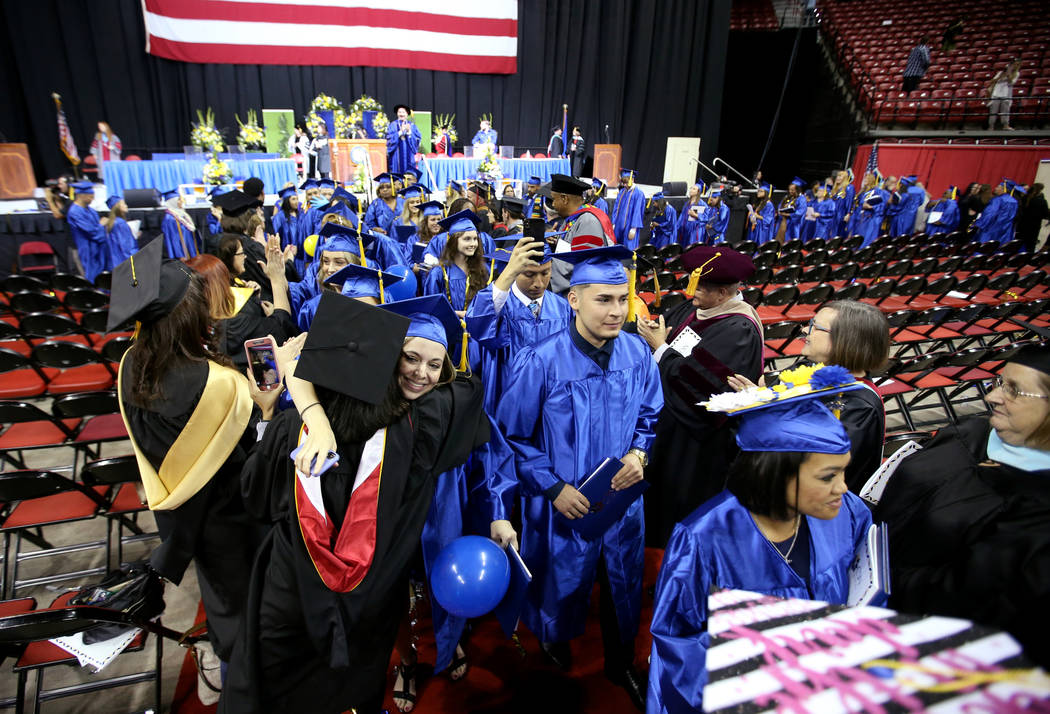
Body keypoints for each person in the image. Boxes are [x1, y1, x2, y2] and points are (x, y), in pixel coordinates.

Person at [219, 291, 492, 714]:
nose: (420, 374)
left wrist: (280, 411)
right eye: (409, 360)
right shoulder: (420, 428)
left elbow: (254, 498)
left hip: (289, 600)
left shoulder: (291, 431)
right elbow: (469, 390)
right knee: (355, 686)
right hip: (372, 602)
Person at [648, 372, 879, 712]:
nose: (843, 488)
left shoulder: (848, 513)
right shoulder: (703, 540)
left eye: (844, 472)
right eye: (828, 476)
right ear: (776, 472)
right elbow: (677, 646)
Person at [496, 245, 663, 711]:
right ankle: (555, 643)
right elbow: (511, 434)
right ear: (574, 300)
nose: (616, 311)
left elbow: (651, 416)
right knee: (560, 578)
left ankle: (620, 661)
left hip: (622, 500)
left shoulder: (636, 352)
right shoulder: (540, 360)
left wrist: (639, 454)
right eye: (603, 300)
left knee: (623, 584)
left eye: (622, 299)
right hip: (560, 502)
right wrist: (551, 486)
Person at [109, 238, 282, 681]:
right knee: (249, 607)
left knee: (220, 599)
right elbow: (251, 471)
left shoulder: (130, 365)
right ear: (188, 317)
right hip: (233, 521)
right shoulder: (219, 386)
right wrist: (263, 413)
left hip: (179, 518)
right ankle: (248, 688)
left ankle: (226, 665)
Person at [873, 339, 1050, 668]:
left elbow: (967, 598)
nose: (991, 396)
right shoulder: (974, 431)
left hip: (911, 638)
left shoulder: (1036, 513)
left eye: (1013, 390)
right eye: (999, 382)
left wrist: (879, 584)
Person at [637, 246, 763, 547]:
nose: (690, 292)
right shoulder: (697, 309)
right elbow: (676, 342)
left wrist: (660, 349)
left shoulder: (739, 329)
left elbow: (704, 386)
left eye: (700, 288)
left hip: (695, 446)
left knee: (676, 515)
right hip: (668, 430)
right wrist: (658, 336)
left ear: (723, 293)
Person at [467, 235, 573, 413]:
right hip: (506, 403)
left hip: (550, 405)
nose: (538, 283)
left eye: (545, 273)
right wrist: (509, 272)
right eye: (529, 274)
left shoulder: (562, 308)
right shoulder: (497, 305)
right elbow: (478, 326)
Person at [204, 236, 297, 365]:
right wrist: (277, 278)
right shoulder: (234, 318)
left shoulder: (231, 290)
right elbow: (280, 328)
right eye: (241, 253)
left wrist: (256, 299)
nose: (245, 256)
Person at [545, 173, 617, 294]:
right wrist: (555, 244)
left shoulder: (588, 221)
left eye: (554, 199)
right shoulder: (571, 220)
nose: (553, 204)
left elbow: (583, 266)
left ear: (564, 199)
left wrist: (546, 273)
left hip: (577, 295)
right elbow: (570, 251)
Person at [422, 210, 488, 316]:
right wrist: (459, 314)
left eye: (475, 239)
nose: (473, 244)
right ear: (453, 241)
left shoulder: (483, 270)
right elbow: (431, 309)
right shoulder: (438, 273)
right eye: (467, 239)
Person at [66, 180, 108, 281]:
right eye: (90, 196)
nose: (93, 198)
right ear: (81, 195)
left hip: (98, 248)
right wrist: (101, 225)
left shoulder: (91, 210)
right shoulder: (75, 212)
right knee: (92, 278)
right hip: (86, 249)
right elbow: (92, 232)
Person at [972, 179, 1019, 245]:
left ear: (1003, 189)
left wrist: (978, 224)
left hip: (992, 230)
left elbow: (990, 214)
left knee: (984, 249)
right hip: (1006, 231)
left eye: (998, 187)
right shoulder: (1014, 202)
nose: (995, 189)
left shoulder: (998, 200)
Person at [611, 168, 646, 250]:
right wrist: (614, 222)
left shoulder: (638, 194)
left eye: (626, 183)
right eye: (623, 183)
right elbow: (616, 207)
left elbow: (637, 212)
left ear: (632, 179)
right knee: (617, 247)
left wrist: (634, 228)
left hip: (630, 226)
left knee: (628, 248)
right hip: (618, 226)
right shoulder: (622, 192)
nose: (624, 185)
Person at [160, 189, 199, 259]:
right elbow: (173, 239)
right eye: (179, 200)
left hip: (189, 249)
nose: (182, 202)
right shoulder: (170, 219)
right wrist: (180, 255)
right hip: (181, 255)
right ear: (173, 202)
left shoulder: (182, 214)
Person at [103, 194, 139, 267]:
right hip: (123, 261)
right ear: (117, 207)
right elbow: (126, 246)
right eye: (124, 204)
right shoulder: (120, 223)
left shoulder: (113, 222)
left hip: (115, 261)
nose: (126, 205)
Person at [987, 59, 1022, 130]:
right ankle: (991, 126)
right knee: (993, 111)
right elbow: (992, 81)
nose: (1016, 66)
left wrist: (1008, 75)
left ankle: (1005, 126)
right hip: (996, 94)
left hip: (1006, 95)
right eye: (1015, 64)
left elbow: (1011, 83)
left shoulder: (1017, 74)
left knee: (1005, 111)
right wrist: (1001, 76)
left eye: (1018, 65)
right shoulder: (1000, 73)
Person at [1018, 183, 1049, 251]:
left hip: (1022, 225)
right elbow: (1045, 214)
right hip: (1034, 227)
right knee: (1030, 246)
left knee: (1018, 243)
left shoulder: (1024, 198)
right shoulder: (1042, 201)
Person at [675, 182, 707, 247]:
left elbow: (706, 218)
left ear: (698, 192)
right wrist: (677, 227)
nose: (691, 190)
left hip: (694, 231)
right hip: (685, 231)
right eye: (691, 188)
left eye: (694, 189)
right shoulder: (687, 203)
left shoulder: (702, 204)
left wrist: (696, 215)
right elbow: (682, 216)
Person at [779, 177, 808, 242]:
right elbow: (780, 206)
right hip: (784, 221)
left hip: (794, 223)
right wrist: (782, 209)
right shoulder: (788, 197)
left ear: (798, 190)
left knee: (791, 239)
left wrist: (789, 214)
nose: (790, 191)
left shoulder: (802, 199)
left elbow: (800, 212)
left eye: (792, 190)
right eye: (789, 189)